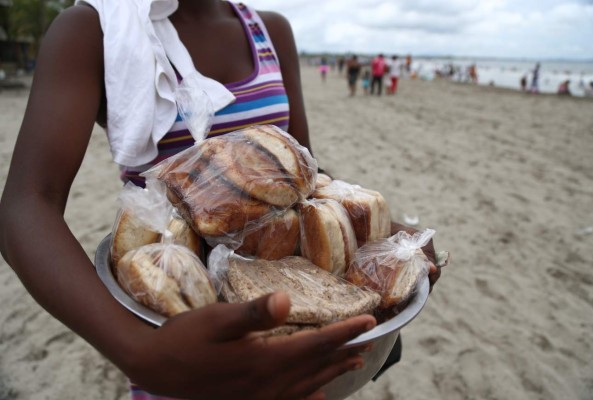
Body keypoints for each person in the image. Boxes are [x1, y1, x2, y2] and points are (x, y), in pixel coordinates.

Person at [0, 1, 443, 399]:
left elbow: (306, 177)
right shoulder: (94, 29)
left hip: (296, 303)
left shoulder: (270, 31)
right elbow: (26, 204)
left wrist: (380, 235)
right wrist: (140, 352)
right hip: (181, 336)